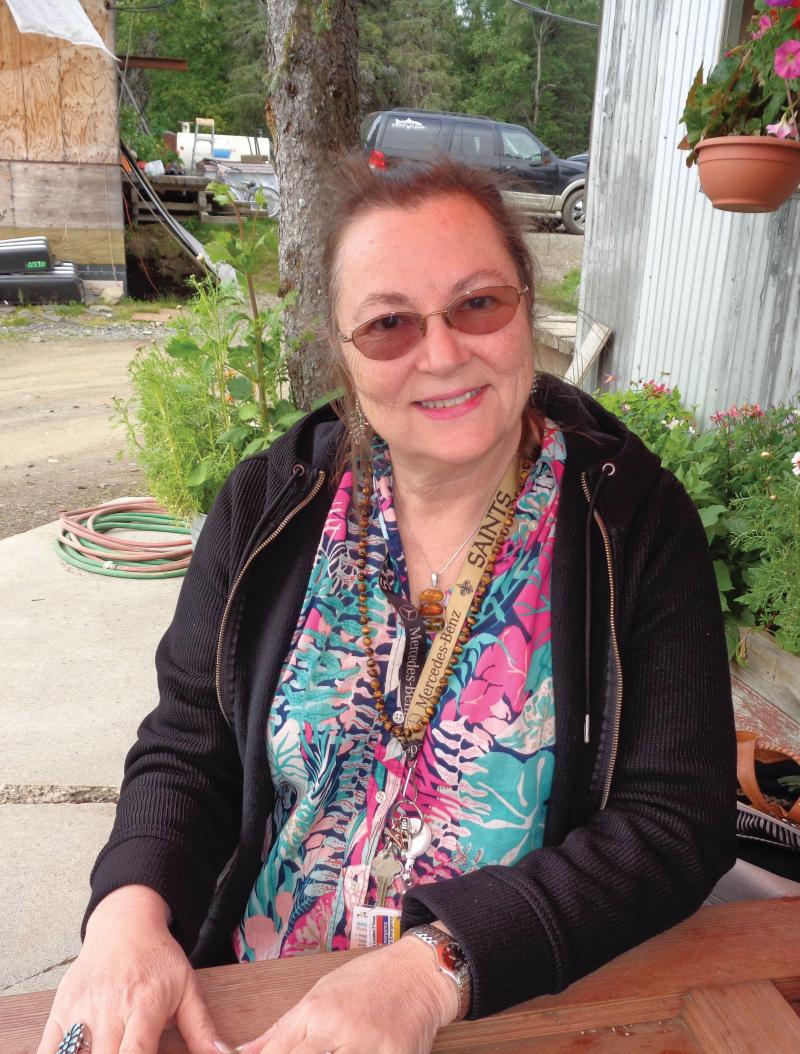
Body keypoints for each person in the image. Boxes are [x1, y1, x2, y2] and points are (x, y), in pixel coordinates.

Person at [38, 156, 736, 1054]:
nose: (442, 353)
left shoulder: (630, 518)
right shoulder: (269, 505)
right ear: (341, 348)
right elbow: (189, 743)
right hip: (254, 1009)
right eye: (389, 324)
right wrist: (128, 915)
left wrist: (435, 969)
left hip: (505, 1004)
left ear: (528, 307)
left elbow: (675, 821)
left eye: (478, 304)